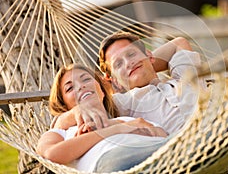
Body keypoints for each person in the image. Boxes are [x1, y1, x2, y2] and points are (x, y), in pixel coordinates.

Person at [53, 32, 203, 135]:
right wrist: (77, 111)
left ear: (150, 55)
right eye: (118, 64)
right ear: (113, 80)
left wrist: (143, 62)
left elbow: (179, 44)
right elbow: (57, 126)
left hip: (219, 129)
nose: (128, 63)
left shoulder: (184, 77)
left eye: (131, 54)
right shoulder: (123, 103)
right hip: (187, 147)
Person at [37, 64, 168, 172]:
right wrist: (118, 129)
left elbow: (164, 137)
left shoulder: (128, 119)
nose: (81, 86)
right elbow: (51, 154)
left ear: (101, 90)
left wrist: (118, 125)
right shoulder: (61, 132)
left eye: (86, 79)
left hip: (159, 153)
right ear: (64, 104)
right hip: (114, 160)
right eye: (70, 88)